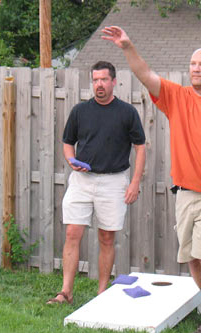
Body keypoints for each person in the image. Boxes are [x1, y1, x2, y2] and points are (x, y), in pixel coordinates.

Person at [102, 26, 201, 333]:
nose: (195, 68)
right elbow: (145, 74)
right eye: (192, 64)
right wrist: (128, 47)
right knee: (192, 259)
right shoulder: (177, 98)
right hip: (185, 193)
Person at [47, 61, 146, 305]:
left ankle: (102, 293)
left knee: (106, 238)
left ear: (114, 81)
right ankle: (65, 292)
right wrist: (71, 160)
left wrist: (134, 183)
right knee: (72, 232)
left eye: (103, 80)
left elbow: (140, 148)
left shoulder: (127, 113)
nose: (99, 85)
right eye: (95, 80)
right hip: (82, 180)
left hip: (113, 181)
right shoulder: (80, 111)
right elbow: (68, 142)